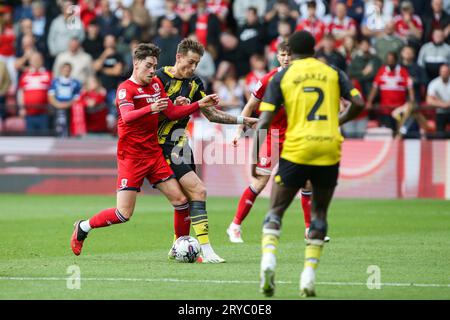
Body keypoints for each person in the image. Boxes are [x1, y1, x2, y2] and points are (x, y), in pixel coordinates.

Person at [70, 43, 220, 257]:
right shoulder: (125, 89)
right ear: (136, 63)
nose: (152, 71)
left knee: (181, 201)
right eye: (148, 66)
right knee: (123, 213)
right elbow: (127, 117)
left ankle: (179, 248)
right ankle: (83, 227)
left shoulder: (157, 85)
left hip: (153, 154)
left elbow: (171, 113)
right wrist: (150, 108)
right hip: (131, 157)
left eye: (154, 66)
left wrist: (197, 104)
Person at [253, 31, 364, 297]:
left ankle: (268, 261)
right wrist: (338, 121)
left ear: (290, 51)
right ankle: (308, 276)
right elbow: (359, 102)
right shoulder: (333, 71)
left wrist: (254, 159)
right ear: (314, 49)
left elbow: (264, 121)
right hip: (328, 148)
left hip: (297, 148)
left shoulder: (281, 75)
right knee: (320, 215)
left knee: (275, 210)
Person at [156, 38, 258, 263]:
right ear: (179, 57)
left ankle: (177, 246)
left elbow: (211, 114)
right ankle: (206, 249)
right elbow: (151, 111)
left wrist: (243, 120)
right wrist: (175, 104)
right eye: (190, 62)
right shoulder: (158, 79)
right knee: (198, 190)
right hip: (160, 144)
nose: (193, 68)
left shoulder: (195, 83)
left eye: (197, 64)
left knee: (186, 198)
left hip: (180, 144)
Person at [227, 41, 321, 244]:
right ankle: (234, 226)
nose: (286, 58)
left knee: (307, 182)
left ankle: (309, 229)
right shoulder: (268, 79)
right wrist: (238, 130)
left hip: (295, 136)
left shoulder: (303, 79)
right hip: (273, 136)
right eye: (283, 55)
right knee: (260, 182)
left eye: (290, 55)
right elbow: (250, 106)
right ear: (277, 57)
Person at [48, 62, 82, 137]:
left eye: (68, 69)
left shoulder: (75, 82)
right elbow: (51, 95)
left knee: (69, 129)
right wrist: (58, 104)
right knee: (59, 127)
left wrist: (67, 104)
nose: (66, 71)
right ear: (61, 70)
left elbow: (77, 97)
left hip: (70, 108)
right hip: (57, 107)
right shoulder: (55, 82)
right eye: (65, 69)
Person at [426, 64, 450, 138]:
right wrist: (444, 105)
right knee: (440, 135)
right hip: (440, 112)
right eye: (442, 71)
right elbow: (429, 100)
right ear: (439, 72)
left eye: (446, 71)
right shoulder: (434, 83)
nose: (444, 73)